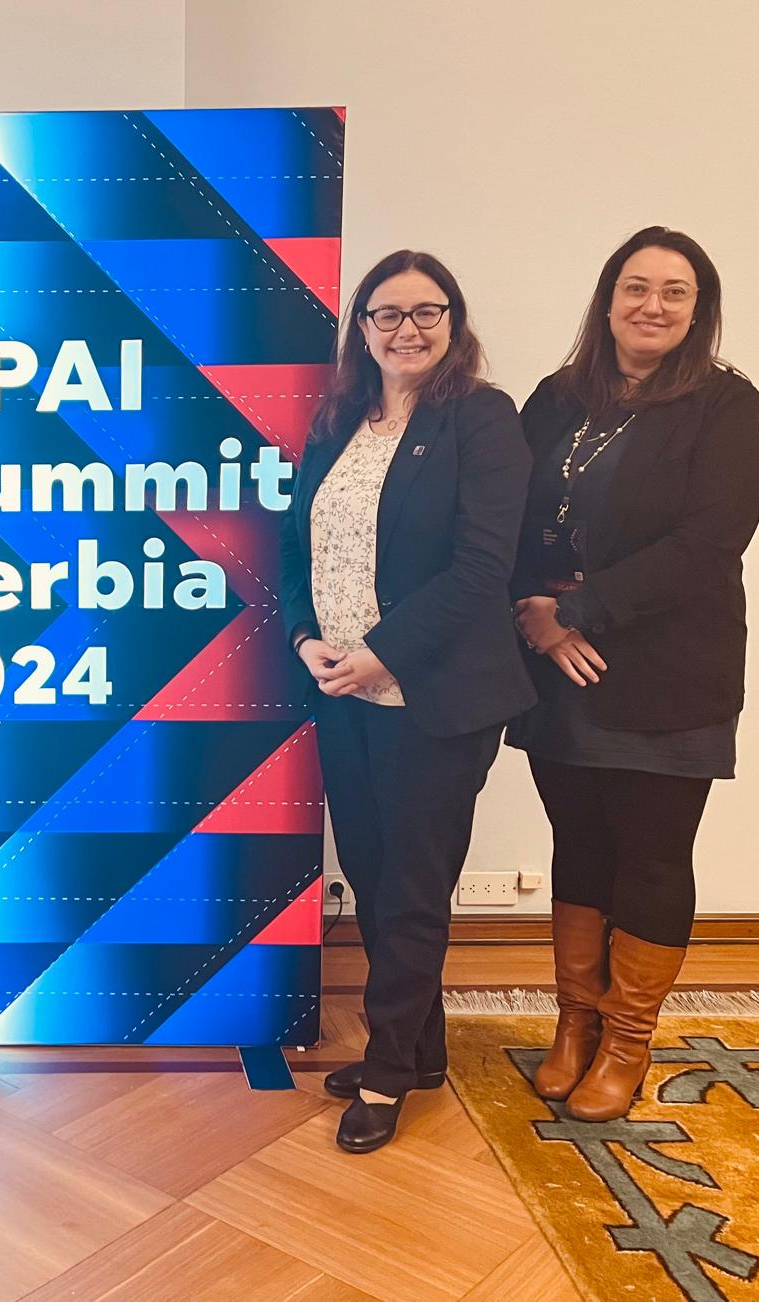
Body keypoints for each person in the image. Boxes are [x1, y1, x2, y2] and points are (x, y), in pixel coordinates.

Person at [509, 227, 759, 1121]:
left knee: (653, 856)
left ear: (699, 310)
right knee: (578, 843)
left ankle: (626, 1042)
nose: (651, 306)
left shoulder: (723, 405)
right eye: (635, 287)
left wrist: (576, 610)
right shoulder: (556, 399)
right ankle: (574, 1025)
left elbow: (710, 542)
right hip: (559, 667)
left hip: (670, 672)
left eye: (674, 291)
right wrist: (533, 613)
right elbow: (499, 514)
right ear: (608, 299)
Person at [280, 250, 534, 1154]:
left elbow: (482, 568)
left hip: (433, 697)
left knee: (414, 889)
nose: (407, 329)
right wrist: (305, 638)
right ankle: (420, 1050)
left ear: (454, 323)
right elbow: (296, 547)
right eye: (387, 314)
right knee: (374, 875)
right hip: (342, 692)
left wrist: (381, 656)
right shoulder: (340, 421)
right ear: (362, 328)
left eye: (428, 311)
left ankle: (387, 1074)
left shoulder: (481, 419)